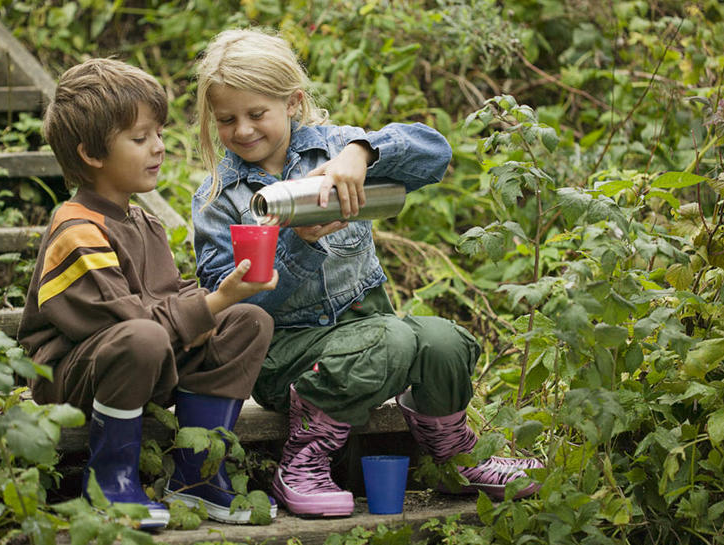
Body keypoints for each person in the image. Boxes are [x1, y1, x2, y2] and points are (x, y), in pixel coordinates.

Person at [191, 28, 544, 518]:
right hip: (285, 358)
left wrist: (362, 152)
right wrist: (296, 244)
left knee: (443, 342)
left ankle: (456, 459)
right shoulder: (218, 198)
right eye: (227, 119)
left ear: (292, 103)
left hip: (368, 331)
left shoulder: (337, 150)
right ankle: (303, 462)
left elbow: (434, 152)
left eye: (256, 114)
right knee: (393, 340)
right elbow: (226, 303)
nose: (243, 130)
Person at [17, 58, 279, 529]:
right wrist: (212, 303)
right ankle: (110, 477)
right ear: (91, 154)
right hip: (77, 377)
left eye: (158, 133)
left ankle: (197, 473)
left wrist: (221, 300)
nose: (159, 146)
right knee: (145, 336)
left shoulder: (143, 221)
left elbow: (167, 297)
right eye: (140, 138)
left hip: (146, 357)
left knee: (248, 321)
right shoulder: (76, 229)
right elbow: (127, 323)